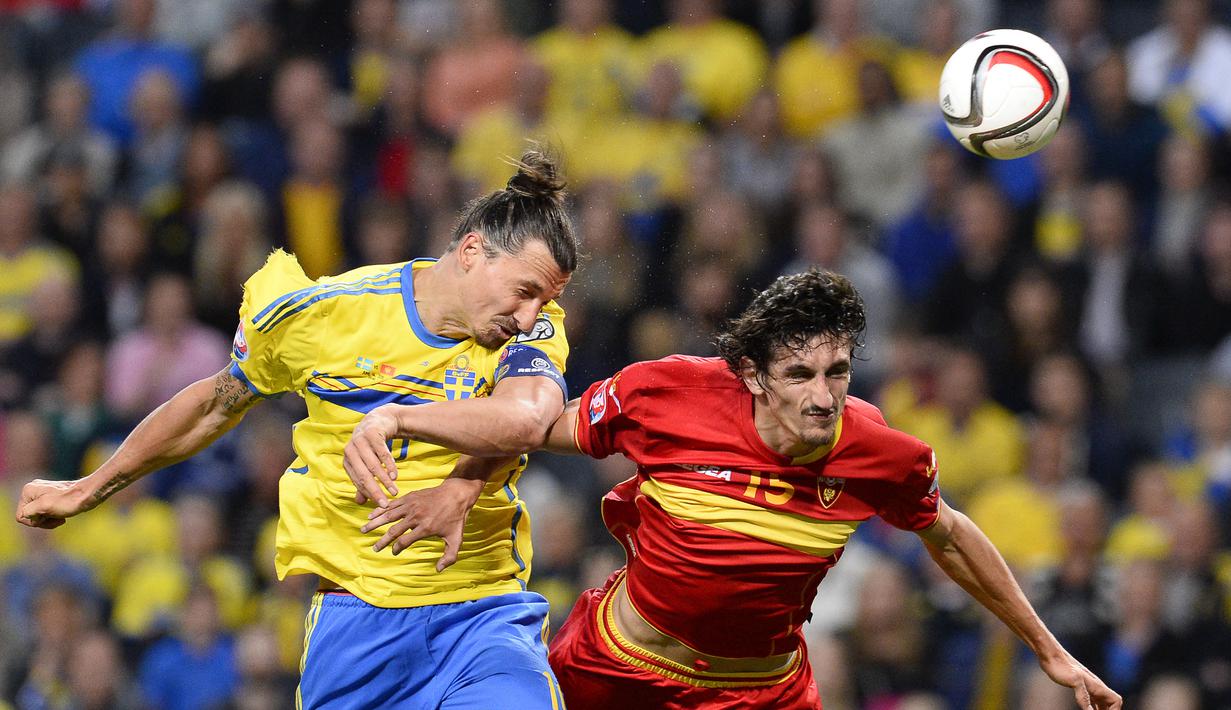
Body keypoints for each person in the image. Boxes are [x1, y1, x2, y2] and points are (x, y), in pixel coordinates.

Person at [353, 269, 1122, 709]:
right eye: (798, 375)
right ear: (751, 374)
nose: (822, 396)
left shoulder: (876, 450)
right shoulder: (666, 394)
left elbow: (948, 535)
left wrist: (1048, 652)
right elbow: (530, 426)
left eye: (837, 372)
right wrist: (442, 465)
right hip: (617, 667)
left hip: (763, 692)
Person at [16, 149, 579, 709]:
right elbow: (216, 403)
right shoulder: (326, 315)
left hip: (480, 617)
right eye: (525, 292)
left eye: (545, 300)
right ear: (473, 251)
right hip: (356, 629)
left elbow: (524, 418)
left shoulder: (528, 332)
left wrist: (403, 423)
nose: (531, 314)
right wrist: (89, 487)